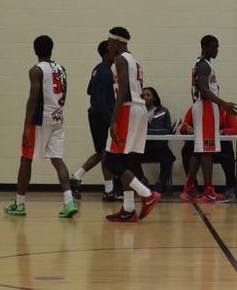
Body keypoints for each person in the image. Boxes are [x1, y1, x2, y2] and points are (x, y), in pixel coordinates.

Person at [4, 35, 78, 218]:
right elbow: (65, 94)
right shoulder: (61, 68)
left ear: (35, 50)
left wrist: (25, 128)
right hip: (58, 117)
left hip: (40, 120)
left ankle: (19, 204)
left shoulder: (36, 70)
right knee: (57, 159)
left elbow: (33, 99)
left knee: (26, 159)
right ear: (51, 48)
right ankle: (69, 201)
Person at [103, 27, 161, 222]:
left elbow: (123, 91)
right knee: (125, 162)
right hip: (139, 109)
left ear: (117, 41)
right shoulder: (134, 61)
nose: (108, 46)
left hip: (128, 109)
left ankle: (147, 194)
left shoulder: (120, 59)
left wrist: (113, 120)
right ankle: (128, 209)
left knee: (110, 161)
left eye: (109, 42)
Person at [181, 35, 237, 202]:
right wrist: (223, 103)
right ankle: (208, 190)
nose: (217, 50)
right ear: (205, 47)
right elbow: (204, 89)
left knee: (200, 150)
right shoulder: (203, 65)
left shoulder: (203, 64)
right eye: (214, 47)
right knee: (207, 150)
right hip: (205, 107)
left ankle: (189, 187)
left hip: (204, 107)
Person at [70, 40, 119, 201]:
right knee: (106, 152)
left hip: (95, 114)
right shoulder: (105, 73)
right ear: (105, 53)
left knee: (101, 152)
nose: (116, 54)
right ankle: (109, 190)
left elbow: (89, 90)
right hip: (101, 115)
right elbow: (99, 99)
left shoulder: (98, 69)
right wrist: (110, 120)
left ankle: (76, 177)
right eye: (113, 51)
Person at [180, 104, 237, 200]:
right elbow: (183, 128)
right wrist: (187, 129)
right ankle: (193, 186)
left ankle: (228, 186)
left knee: (227, 152)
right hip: (201, 143)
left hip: (219, 144)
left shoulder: (223, 109)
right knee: (188, 150)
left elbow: (235, 129)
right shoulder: (196, 108)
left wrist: (222, 131)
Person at [134, 87, 176, 193]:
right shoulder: (136, 111)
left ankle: (161, 184)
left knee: (169, 158)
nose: (145, 97)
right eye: (143, 96)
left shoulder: (163, 111)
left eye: (148, 95)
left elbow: (169, 129)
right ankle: (142, 181)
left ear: (154, 98)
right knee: (130, 157)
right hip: (142, 147)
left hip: (159, 147)